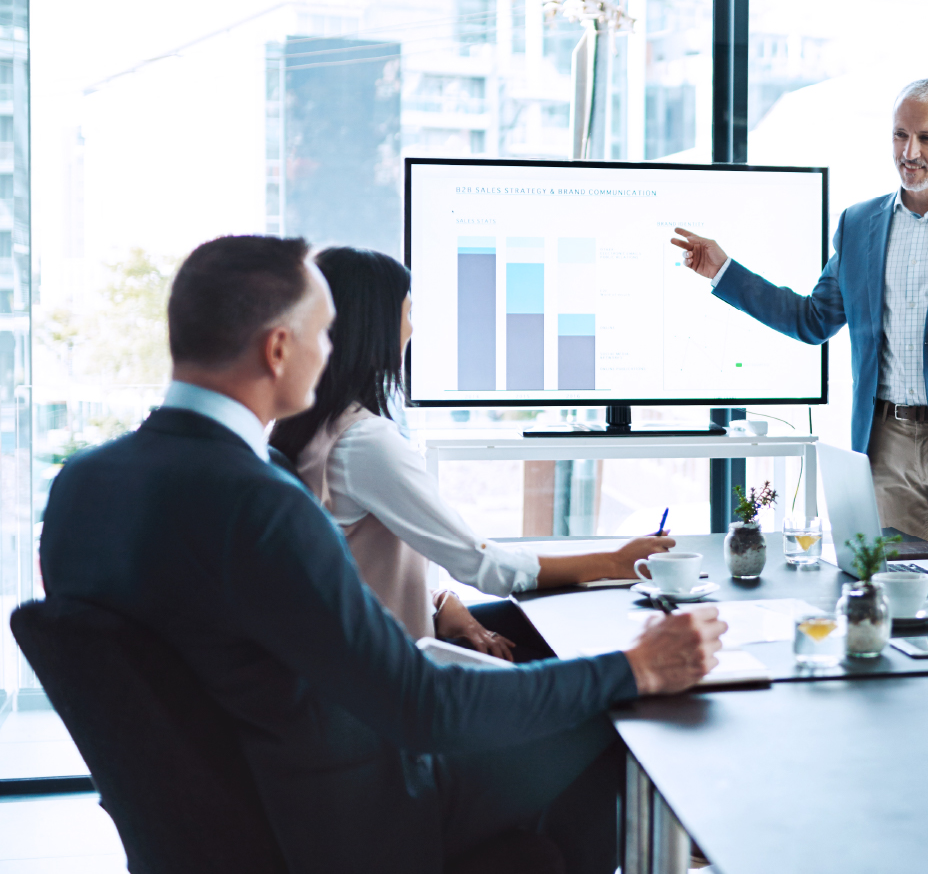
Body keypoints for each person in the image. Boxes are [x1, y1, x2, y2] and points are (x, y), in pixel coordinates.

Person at [38, 235, 727, 874]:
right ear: (279, 348)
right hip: (350, 820)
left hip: (224, 822)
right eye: (322, 331)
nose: (331, 347)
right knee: (615, 723)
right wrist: (633, 664)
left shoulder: (82, 485)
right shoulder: (265, 505)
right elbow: (421, 706)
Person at [670, 77, 928, 572]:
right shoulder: (859, 224)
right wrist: (725, 271)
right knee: (888, 591)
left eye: (927, 139)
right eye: (900, 135)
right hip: (884, 444)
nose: (909, 152)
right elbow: (811, 320)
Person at [270, 247, 671, 662]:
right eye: (408, 315)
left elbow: (354, 568)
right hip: (398, 673)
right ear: (376, 327)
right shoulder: (365, 443)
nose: (412, 330)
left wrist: (441, 601)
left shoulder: (308, 427)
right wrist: (615, 561)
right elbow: (484, 566)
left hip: (364, 651)